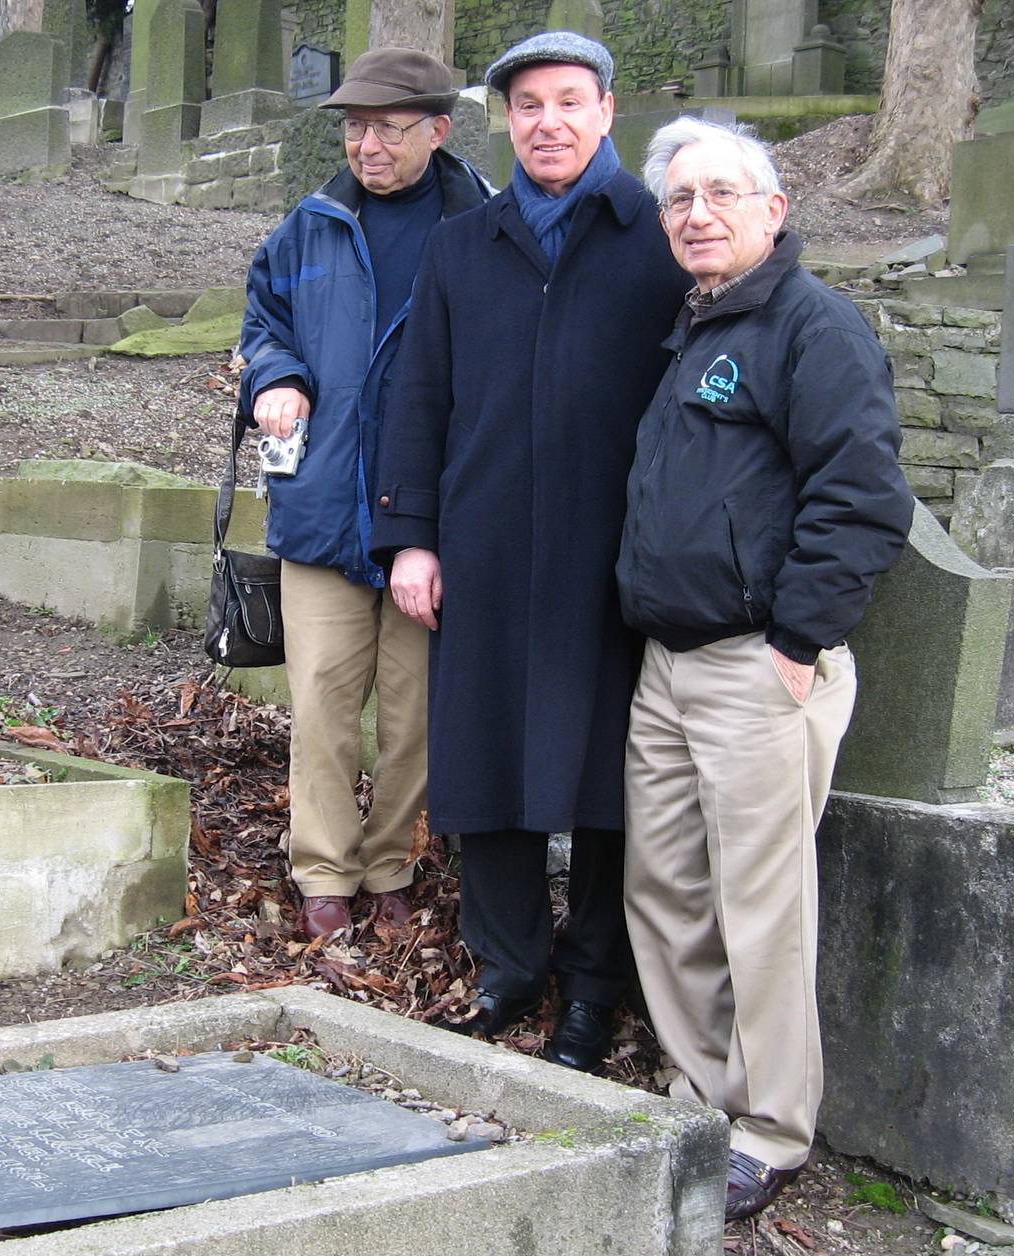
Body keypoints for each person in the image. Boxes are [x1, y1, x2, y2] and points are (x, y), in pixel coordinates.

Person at [369, 32, 689, 1072]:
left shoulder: (657, 236)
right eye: (528, 106)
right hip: (489, 546)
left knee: (605, 783)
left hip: (612, 558)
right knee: (489, 759)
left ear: (607, 110)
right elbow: (419, 397)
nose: (548, 121)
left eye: (568, 101)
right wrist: (411, 536)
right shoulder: (466, 245)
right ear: (505, 121)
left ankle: (594, 987)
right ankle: (509, 966)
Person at [618, 117, 915, 1220]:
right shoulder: (693, 325)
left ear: (774, 210)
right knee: (668, 891)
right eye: (680, 198)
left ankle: (774, 1125)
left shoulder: (813, 327)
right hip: (669, 663)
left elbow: (863, 497)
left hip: (759, 665)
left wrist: (800, 641)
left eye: (722, 193)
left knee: (762, 906)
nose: (699, 213)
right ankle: (699, 1094)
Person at [238, 48, 495, 942]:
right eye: (352, 127)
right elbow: (263, 319)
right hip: (322, 509)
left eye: (386, 127)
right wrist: (273, 375)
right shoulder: (310, 224)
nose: (365, 145)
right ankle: (323, 869)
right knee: (319, 701)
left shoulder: (484, 227)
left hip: (433, 518)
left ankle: (392, 861)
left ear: (438, 130)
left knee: (414, 710)